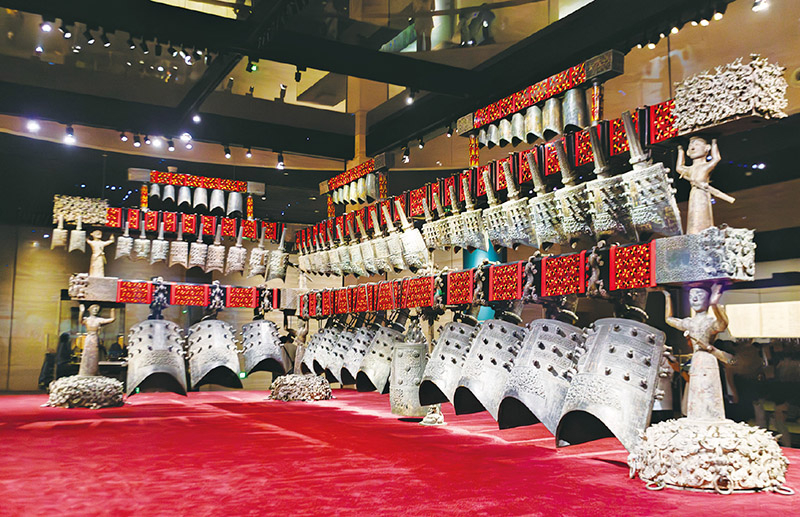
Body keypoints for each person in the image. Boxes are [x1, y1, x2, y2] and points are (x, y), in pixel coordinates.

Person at [663, 284, 733, 421]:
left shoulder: (710, 321)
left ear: (707, 298)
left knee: (709, 392)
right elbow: (669, 319)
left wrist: (715, 304)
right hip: (696, 360)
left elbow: (723, 323)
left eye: (699, 295)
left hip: (708, 359)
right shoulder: (689, 322)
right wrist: (667, 295)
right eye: (691, 296)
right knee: (695, 392)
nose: (694, 299)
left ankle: (711, 420)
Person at [675, 136, 721, 234]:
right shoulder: (689, 169)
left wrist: (714, 143)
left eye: (697, 145)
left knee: (702, 212)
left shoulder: (705, 166)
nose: (692, 148)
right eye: (690, 146)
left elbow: (716, 158)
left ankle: (703, 232)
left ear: (707, 148)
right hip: (694, 193)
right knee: (694, 214)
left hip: (702, 193)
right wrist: (680, 150)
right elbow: (679, 167)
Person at [78, 304, 116, 376]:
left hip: (94, 338)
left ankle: (93, 371)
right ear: (89, 310)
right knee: (86, 355)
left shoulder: (99, 320)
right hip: (88, 338)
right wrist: (81, 311)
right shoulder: (86, 319)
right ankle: (85, 372)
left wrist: (112, 309)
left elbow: (112, 319)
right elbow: (80, 321)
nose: (95, 310)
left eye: (97, 309)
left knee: (94, 355)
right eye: (93, 309)